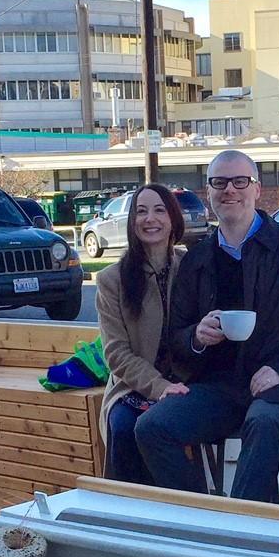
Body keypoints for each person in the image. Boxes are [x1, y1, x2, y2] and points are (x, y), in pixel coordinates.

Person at [135, 150, 279, 502]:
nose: (229, 190)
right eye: (219, 182)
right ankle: (201, 519)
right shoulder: (198, 258)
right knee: (152, 427)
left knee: (262, 423)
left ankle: (250, 531)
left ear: (256, 190)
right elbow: (177, 336)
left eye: (239, 181)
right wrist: (197, 338)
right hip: (219, 387)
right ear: (209, 193)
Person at [94, 184, 189, 483]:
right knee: (124, 428)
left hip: (187, 385)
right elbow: (116, 354)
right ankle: (127, 515)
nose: (150, 219)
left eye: (160, 210)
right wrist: (159, 386)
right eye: (141, 211)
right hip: (132, 389)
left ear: (173, 218)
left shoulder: (191, 268)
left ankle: (184, 510)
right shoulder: (112, 280)